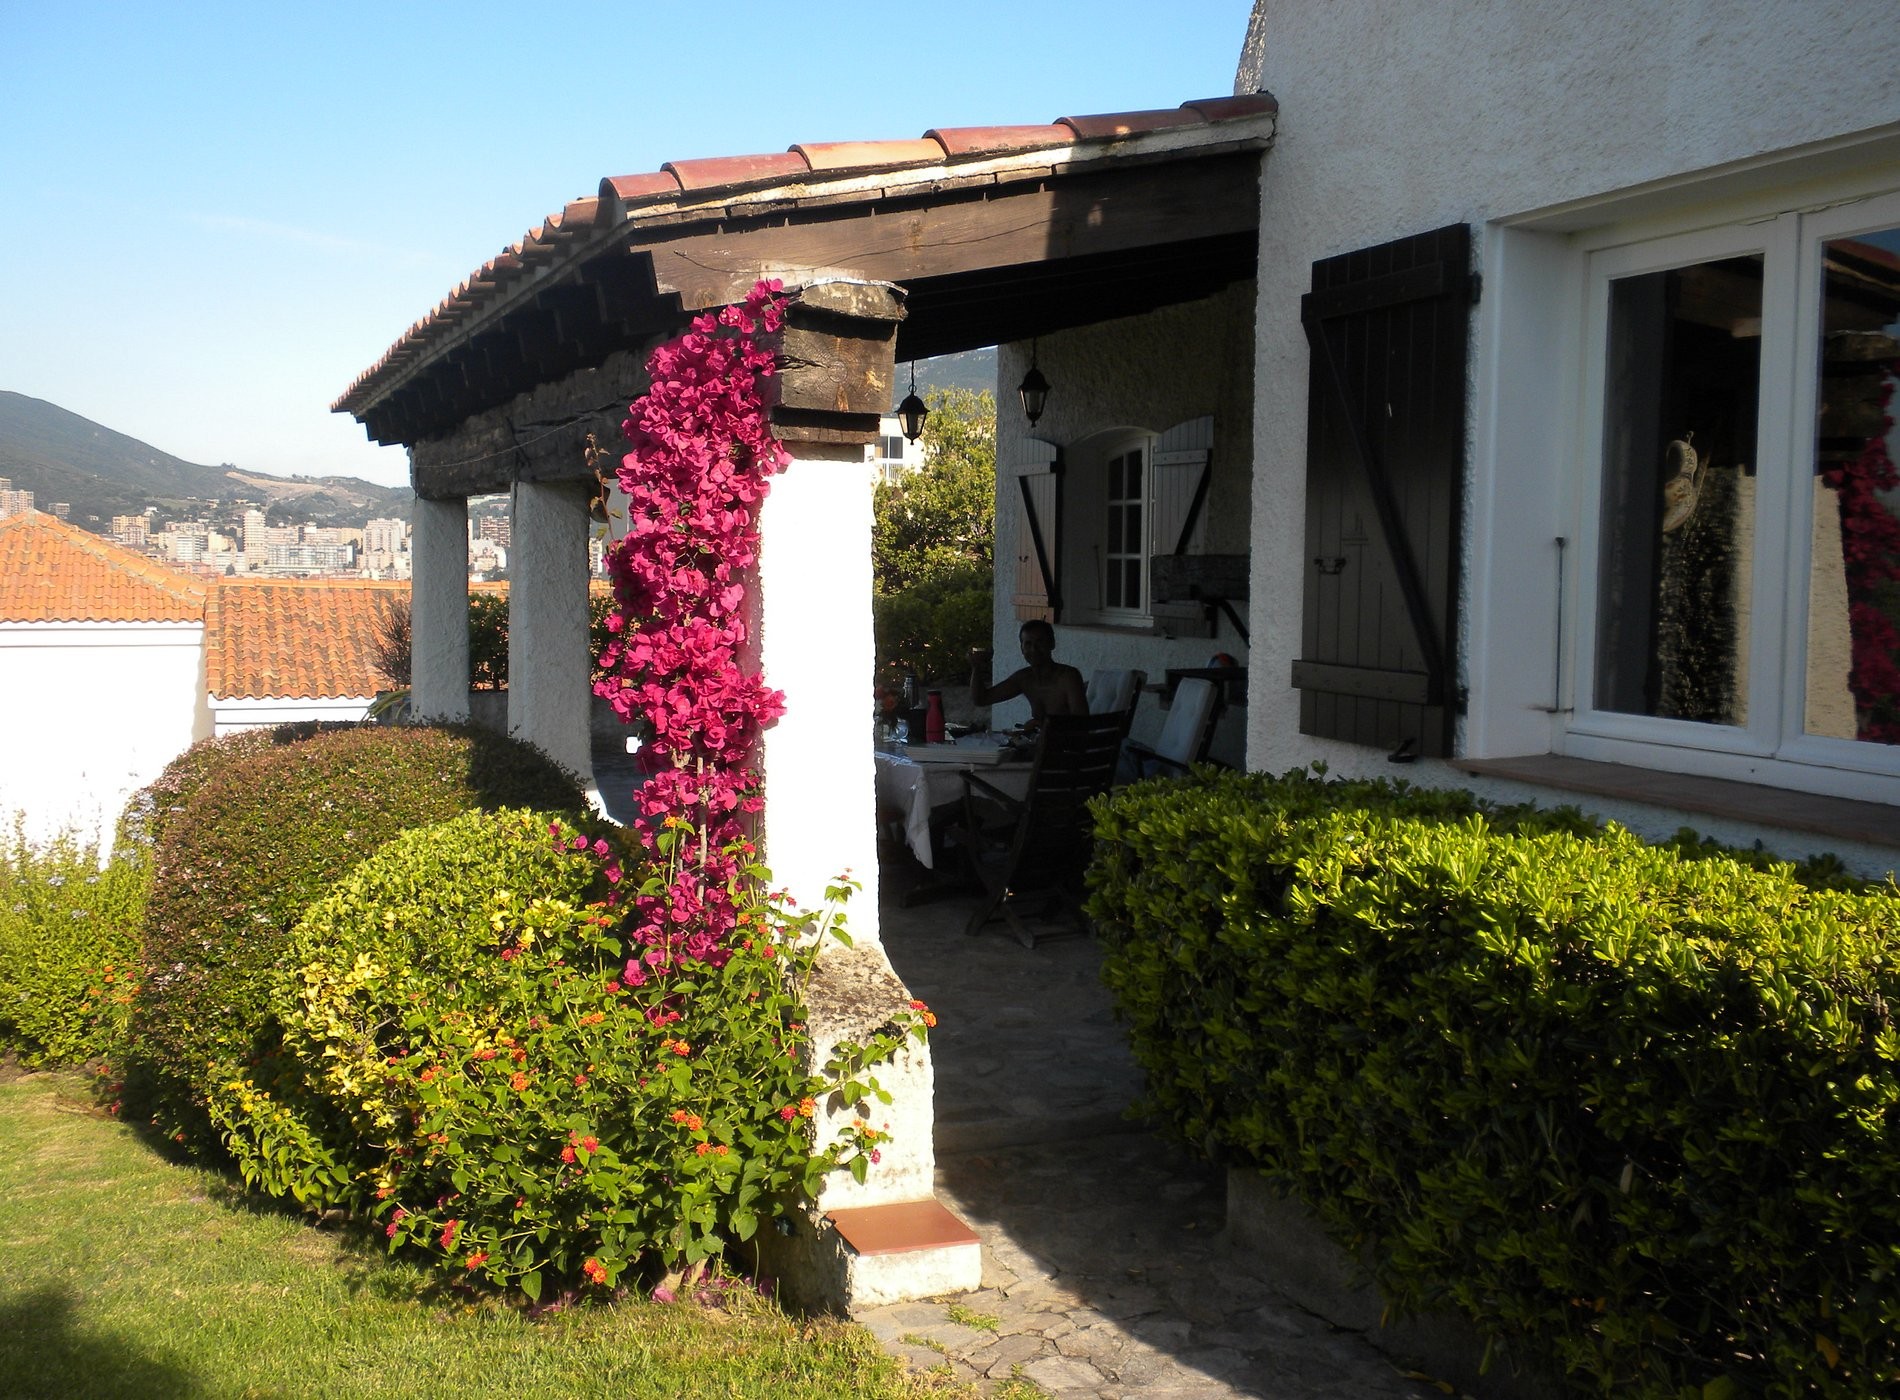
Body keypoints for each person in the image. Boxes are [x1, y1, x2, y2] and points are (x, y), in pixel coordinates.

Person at [970, 619, 1088, 724]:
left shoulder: (1068, 677)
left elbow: (1081, 723)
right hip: (1038, 743)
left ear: (1052, 644)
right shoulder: (1024, 678)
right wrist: (976, 667)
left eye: (1040, 642)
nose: (1034, 649)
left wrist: (1040, 726)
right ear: (1022, 648)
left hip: (1066, 746)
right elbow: (981, 699)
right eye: (1028, 644)